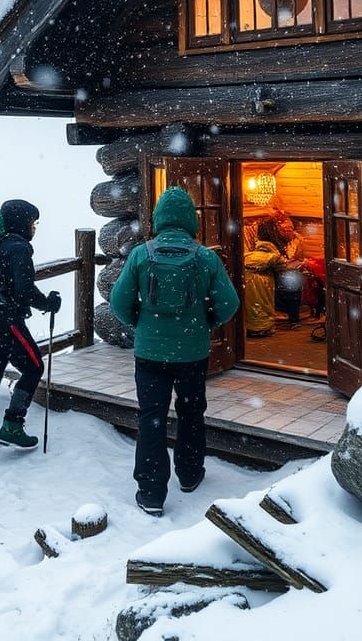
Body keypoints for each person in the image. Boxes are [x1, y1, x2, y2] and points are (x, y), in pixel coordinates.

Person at [109, 187, 240, 516]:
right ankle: (190, 473)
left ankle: (151, 492)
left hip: (149, 355)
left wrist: (140, 323)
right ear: (190, 221)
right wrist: (207, 322)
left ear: (159, 219)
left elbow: (119, 302)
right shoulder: (205, 257)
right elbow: (229, 303)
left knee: (151, 417)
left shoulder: (141, 255)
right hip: (192, 354)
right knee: (191, 412)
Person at [0, 199, 62, 458]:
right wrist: (48, 303)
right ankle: (12, 425)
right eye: (32, 222)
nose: (34, 228)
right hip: (6, 321)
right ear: (21, 222)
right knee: (34, 367)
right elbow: (23, 289)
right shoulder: (17, 248)